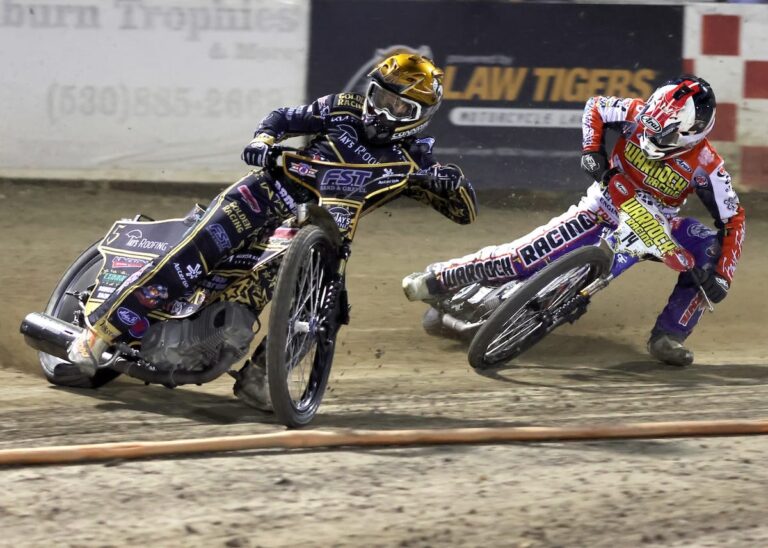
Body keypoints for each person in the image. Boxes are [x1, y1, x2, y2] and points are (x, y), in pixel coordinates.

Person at [67, 53, 477, 407]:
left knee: (316, 303)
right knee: (196, 252)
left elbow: (464, 212)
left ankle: (262, 378)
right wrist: (263, 140)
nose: (382, 110)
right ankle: (100, 332)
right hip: (264, 194)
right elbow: (283, 117)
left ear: (418, 117)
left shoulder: (416, 158)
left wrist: (451, 183)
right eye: (381, 97)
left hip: (318, 235)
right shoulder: (342, 107)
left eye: (397, 106)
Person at [403, 75, 745, 366]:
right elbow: (596, 107)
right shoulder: (635, 111)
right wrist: (591, 150)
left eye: (664, 135)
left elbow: (733, 219)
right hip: (602, 205)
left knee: (710, 250)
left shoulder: (708, 166)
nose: (649, 138)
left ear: (693, 132)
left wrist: (723, 275)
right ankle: (439, 278)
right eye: (649, 127)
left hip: (657, 225)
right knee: (521, 258)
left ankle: (669, 336)